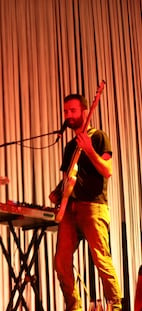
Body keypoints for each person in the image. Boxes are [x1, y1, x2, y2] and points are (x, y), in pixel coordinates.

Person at [49, 94, 122, 310]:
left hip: (93, 207)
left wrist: (89, 149)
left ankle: (116, 306)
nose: (68, 115)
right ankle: (74, 307)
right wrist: (57, 191)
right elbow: (69, 178)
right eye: (65, 111)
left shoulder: (98, 137)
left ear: (84, 111)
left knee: (101, 259)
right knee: (61, 262)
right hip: (70, 209)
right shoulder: (70, 147)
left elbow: (107, 170)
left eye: (72, 110)